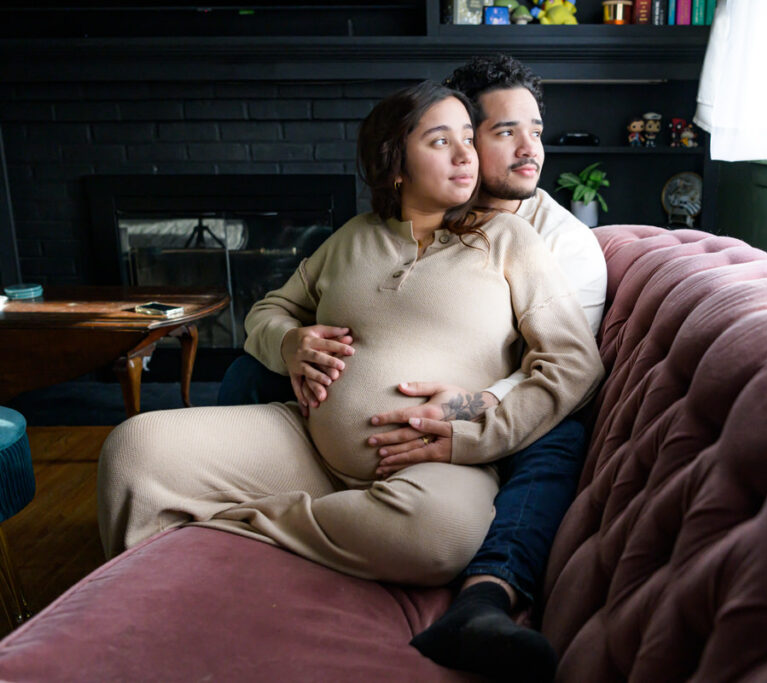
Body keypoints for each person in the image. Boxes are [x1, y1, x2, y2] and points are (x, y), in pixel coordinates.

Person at [97, 80, 603, 608]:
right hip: (303, 448)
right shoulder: (352, 237)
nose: (464, 156)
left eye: (467, 139)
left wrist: (471, 439)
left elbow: (573, 363)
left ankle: (230, 524)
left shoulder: (510, 240)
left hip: (434, 465)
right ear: (396, 164)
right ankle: (157, 597)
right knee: (135, 450)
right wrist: (289, 343)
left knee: (440, 536)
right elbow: (270, 309)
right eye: (439, 141)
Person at [216, 55, 608, 681]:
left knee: (559, 438)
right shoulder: (378, 227)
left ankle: (489, 593)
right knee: (242, 375)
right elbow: (281, 306)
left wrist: (461, 412)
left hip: (488, 422)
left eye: (535, 129)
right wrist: (290, 344)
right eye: (504, 131)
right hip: (344, 428)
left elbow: (562, 371)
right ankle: (274, 478)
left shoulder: (557, 245)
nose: (528, 148)